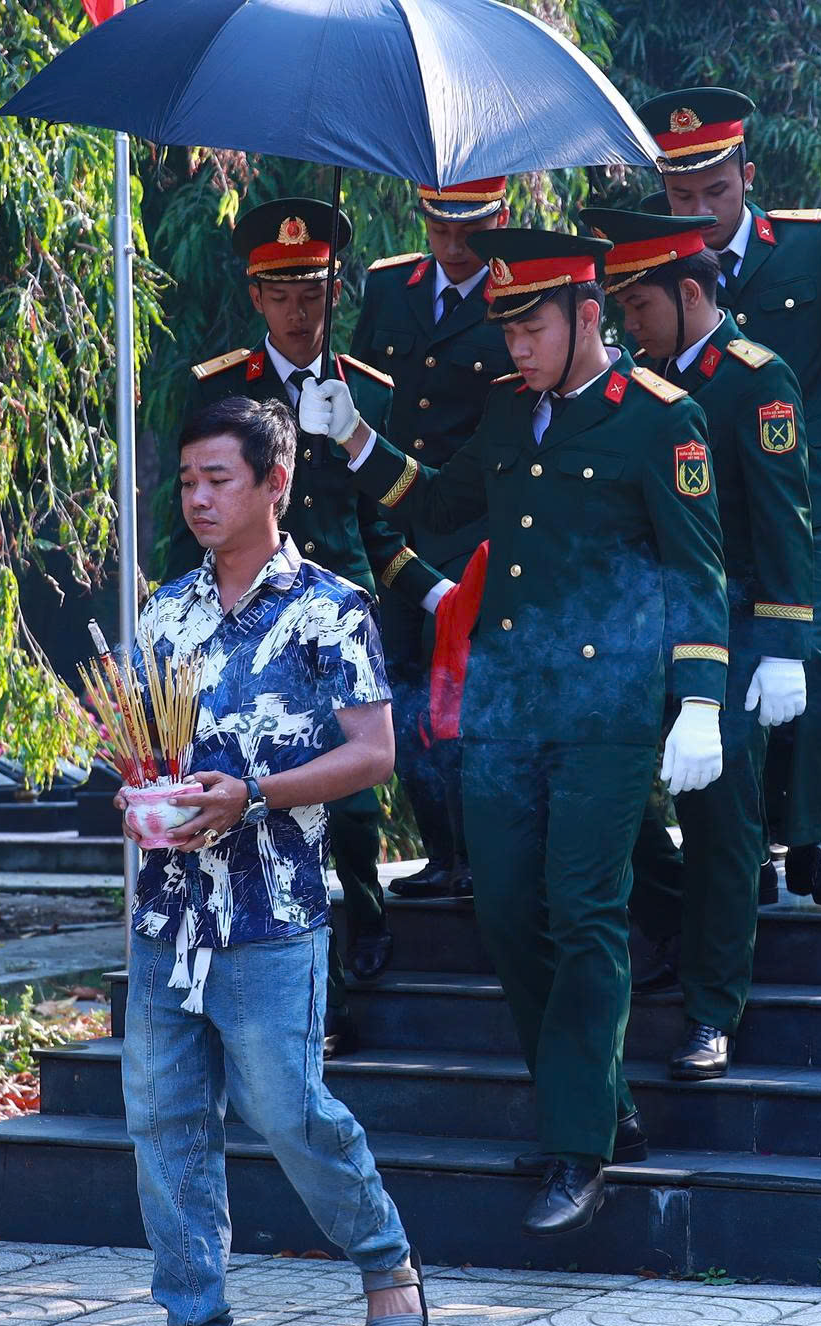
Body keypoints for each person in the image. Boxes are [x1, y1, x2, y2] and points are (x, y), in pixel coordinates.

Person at [299, 227, 729, 1237]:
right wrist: (353, 437)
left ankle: (577, 1144)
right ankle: (599, 1103)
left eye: (531, 326)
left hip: (606, 713)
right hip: (503, 705)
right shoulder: (504, 410)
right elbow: (436, 502)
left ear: (588, 315)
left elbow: (696, 568)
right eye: (506, 328)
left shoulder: (658, 419)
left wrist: (701, 699)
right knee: (502, 910)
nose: (516, 346)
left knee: (583, 910)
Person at [107, 396, 427, 1326]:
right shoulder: (165, 611)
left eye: (218, 479)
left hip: (271, 911)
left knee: (288, 1110)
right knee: (164, 1122)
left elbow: (373, 753)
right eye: (187, 481)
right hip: (168, 916)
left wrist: (251, 795)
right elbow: (145, 748)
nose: (198, 498)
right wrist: (141, 796)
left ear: (273, 483)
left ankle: (383, 1254)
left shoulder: (330, 607)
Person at [163, 197, 449, 1038]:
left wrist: (432, 592)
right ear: (256, 295)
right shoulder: (221, 388)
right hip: (245, 620)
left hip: (335, 619)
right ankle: (319, 997)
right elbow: (188, 513)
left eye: (314, 293)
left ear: (336, 291)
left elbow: (382, 529)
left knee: (350, 805)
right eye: (281, 293)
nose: (299, 311)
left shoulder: (369, 393)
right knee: (261, 794)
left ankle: (361, 927)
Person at [639, 86, 821, 907]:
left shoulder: (812, 247)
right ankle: (742, 848)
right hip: (706, 505)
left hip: (809, 500)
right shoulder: (659, 262)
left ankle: (807, 844)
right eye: (682, 195)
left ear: (747, 176)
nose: (700, 210)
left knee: (815, 658)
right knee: (726, 668)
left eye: (715, 190)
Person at [586, 206, 814, 1080]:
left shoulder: (757, 379)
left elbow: (783, 516)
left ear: (689, 294)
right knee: (614, 792)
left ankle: (713, 1006)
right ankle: (682, 927)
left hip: (737, 630)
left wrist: (785, 643)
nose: (629, 323)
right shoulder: (634, 387)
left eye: (639, 305)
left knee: (721, 819)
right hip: (643, 630)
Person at [347, 176, 515, 902]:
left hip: (471, 524)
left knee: (461, 694)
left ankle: (477, 851)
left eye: (470, 232)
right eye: (439, 229)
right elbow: (366, 391)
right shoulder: (392, 286)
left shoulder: (518, 296)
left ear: (501, 219)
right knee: (400, 686)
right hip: (390, 522)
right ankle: (440, 850)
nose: (452, 246)